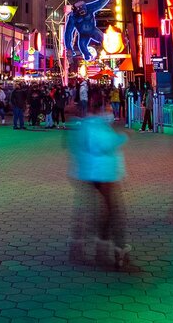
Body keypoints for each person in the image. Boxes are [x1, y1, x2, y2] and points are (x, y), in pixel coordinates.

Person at [68, 105, 131, 268]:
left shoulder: (83, 126)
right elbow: (103, 145)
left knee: (89, 210)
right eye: (108, 109)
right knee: (113, 211)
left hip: (87, 173)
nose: (110, 113)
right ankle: (114, 250)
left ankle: (80, 247)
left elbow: (75, 147)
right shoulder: (96, 126)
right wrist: (123, 137)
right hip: (103, 174)